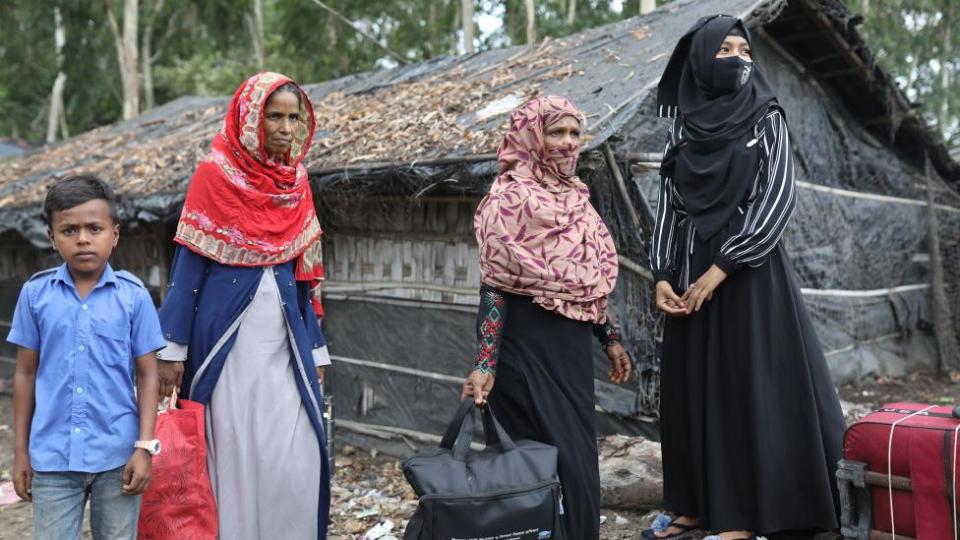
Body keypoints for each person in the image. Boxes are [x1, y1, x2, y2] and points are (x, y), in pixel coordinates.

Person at [645, 16, 846, 540]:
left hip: (748, 274)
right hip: (689, 274)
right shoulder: (683, 128)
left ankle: (745, 516)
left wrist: (724, 267)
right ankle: (691, 505)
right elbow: (670, 206)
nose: (739, 58)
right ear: (701, 60)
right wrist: (663, 274)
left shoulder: (766, 116)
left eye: (745, 49)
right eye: (725, 49)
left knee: (745, 389)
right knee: (690, 389)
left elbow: (777, 200)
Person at [154, 72, 332, 540]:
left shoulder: (297, 184)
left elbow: (304, 279)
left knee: (295, 457)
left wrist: (315, 350)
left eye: (294, 117)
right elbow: (188, 270)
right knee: (231, 453)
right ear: (249, 117)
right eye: (274, 116)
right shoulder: (214, 175)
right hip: (224, 347)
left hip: (286, 345)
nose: (285, 127)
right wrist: (172, 349)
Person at [461, 95, 633, 540]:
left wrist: (609, 337)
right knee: (528, 466)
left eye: (575, 133)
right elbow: (495, 286)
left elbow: (587, 282)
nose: (568, 142)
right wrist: (485, 363)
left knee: (578, 461)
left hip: (571, 353)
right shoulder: (508, 200)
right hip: (522, 350)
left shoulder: (579, 203)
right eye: (556, 131)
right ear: (531, 136)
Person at [9, 175, 164, 540]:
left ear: (114, 234)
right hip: (52, 457)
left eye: (94, 228)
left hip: (119, 454)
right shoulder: (35, 295)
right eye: (69, 230)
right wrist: (21, 453)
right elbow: (25, 375)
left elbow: (148, 376)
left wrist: (144, 447)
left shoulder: (134, 296)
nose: (82, 239)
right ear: (51, 237)